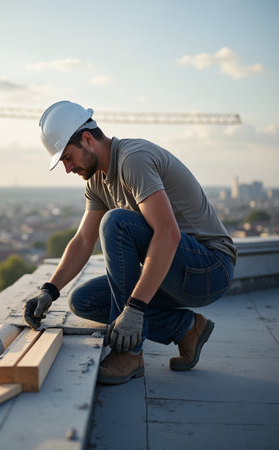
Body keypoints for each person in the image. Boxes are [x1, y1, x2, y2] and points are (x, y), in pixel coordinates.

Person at [23, 101, 237, 385]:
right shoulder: (96, 182)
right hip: (171, 274)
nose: (67, 168)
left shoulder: (132, 159)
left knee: (115, 221)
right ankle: (186, 328)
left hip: (209, 268)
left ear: (87, 139)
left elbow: (167, 234)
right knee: (84, 301)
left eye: (68, 157)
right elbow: (83, 241)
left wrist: (134, 309)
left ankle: (130, 353)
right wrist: (49, 290)